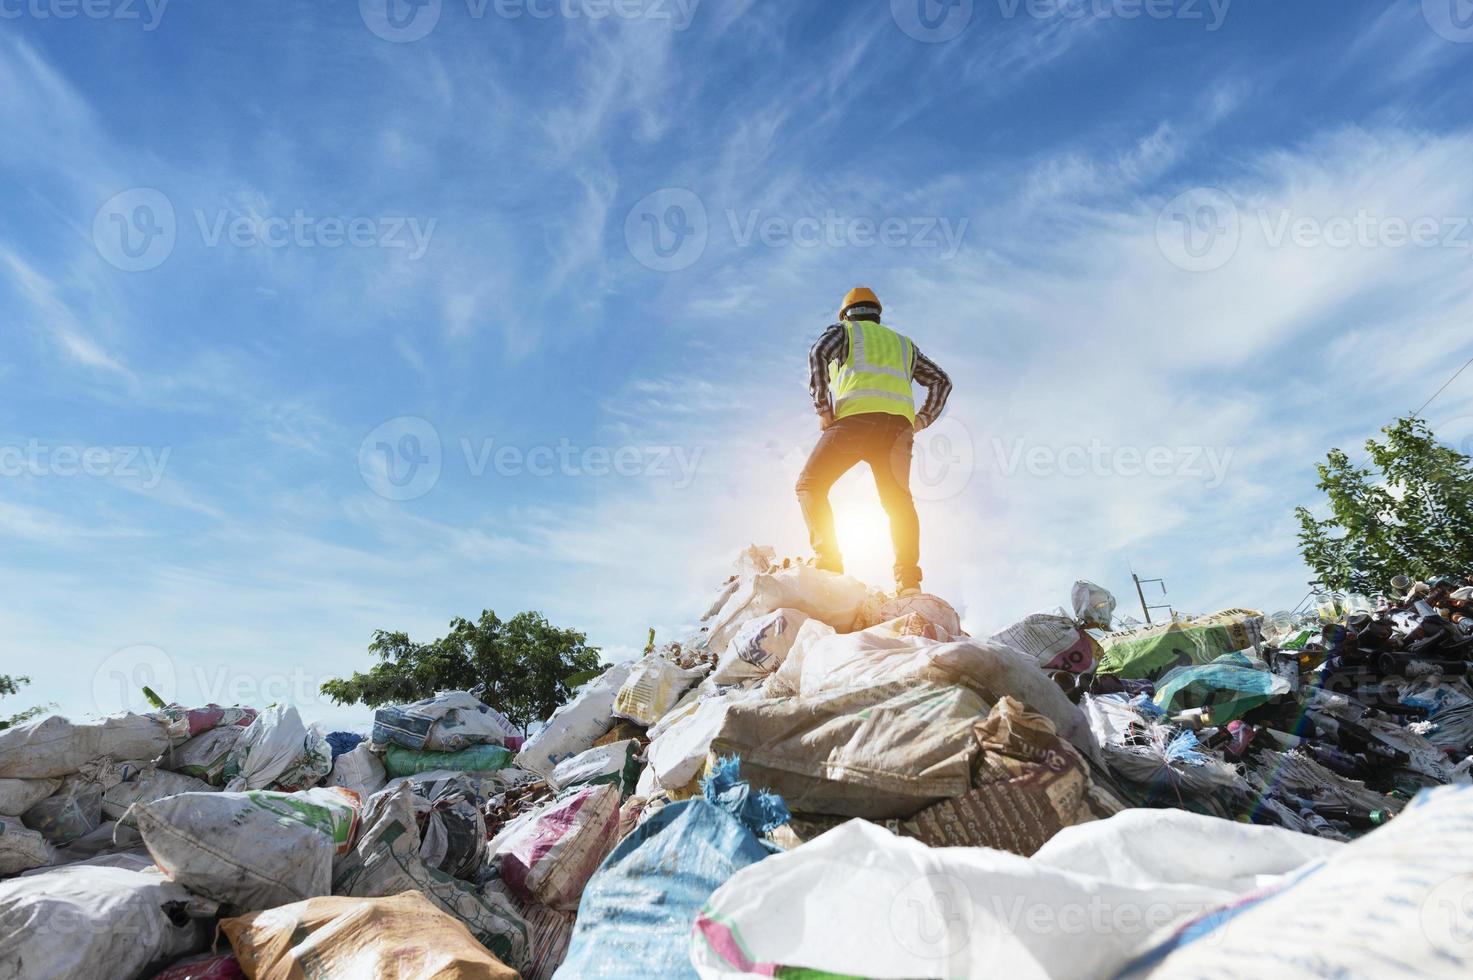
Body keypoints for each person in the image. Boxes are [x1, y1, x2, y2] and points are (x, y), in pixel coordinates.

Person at [797, 287, 952, 597]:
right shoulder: (904, 346)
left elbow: (818, 353)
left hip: (855, 422)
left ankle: (828, 562)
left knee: (810, 485)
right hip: (897, 431)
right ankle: (908, 582)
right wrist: (922, 419)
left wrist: (824, 409)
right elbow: (941, 381)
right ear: (877, 315)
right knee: (898, 503)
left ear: (847, 313)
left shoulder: (845, 332)